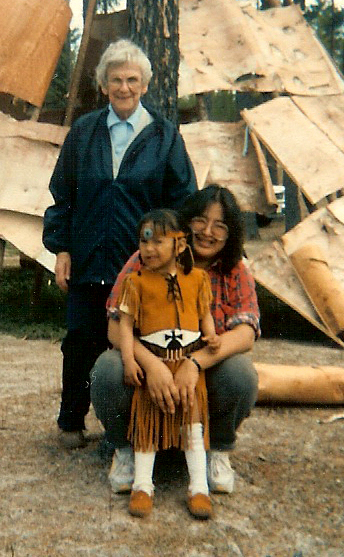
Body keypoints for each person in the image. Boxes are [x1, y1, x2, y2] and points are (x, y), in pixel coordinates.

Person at [43, 38, 197, 448]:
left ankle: (132, 430)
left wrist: (168, 261)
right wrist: (62, 249)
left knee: (137, 348)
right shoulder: (83, 132)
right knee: (80, 342)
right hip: (89, 260)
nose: (124, 88)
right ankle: (71, 421)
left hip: (141, 266)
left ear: (145, 85)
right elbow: (63, 195)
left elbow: (183, 202)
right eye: (116, 80)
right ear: (104, 84)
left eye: (132, 80)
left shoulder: (164, 137)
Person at [90, 184, 260, 500]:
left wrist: (195, 364)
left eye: (220, 225)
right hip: (148, 371)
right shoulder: (146, 258)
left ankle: (217, 449)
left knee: (241, 373)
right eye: (200, 220)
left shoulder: (235, 269)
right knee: (108, 368)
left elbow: (245, 333)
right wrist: (151, 364)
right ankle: (126, 448)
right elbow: (116, 329)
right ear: (185, 224)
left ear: (231, 233)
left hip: (200, 377)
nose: (208, 232)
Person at [116, 209, 219, 520]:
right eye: (143, 241)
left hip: (186, 364)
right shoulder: (135, 282)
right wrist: (129, 358)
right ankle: (142, 485)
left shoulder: (198, 280)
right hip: (154, 366)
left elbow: (204, 316)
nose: (148, 249)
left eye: (157, 241)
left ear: (180, 244)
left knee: (192, 422)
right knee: (147, 425)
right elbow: (125, 324)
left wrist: (211, 335)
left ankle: (199, 486)